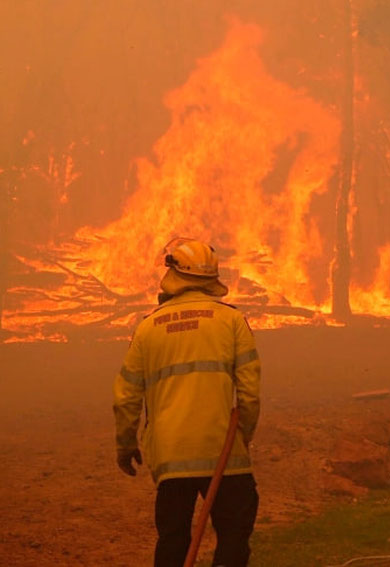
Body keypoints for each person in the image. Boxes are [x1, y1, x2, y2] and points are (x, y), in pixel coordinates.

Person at [114, 237, 262, 567]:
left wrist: (125, 445)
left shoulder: (147, 329)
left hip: (171, 454)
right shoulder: (231, 321)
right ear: (212, 280)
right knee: (234, 533)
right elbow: (250, 394)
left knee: (173, 538)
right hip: (223, 451)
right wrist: (243, 438)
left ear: (173, 275)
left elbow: (126, 398)